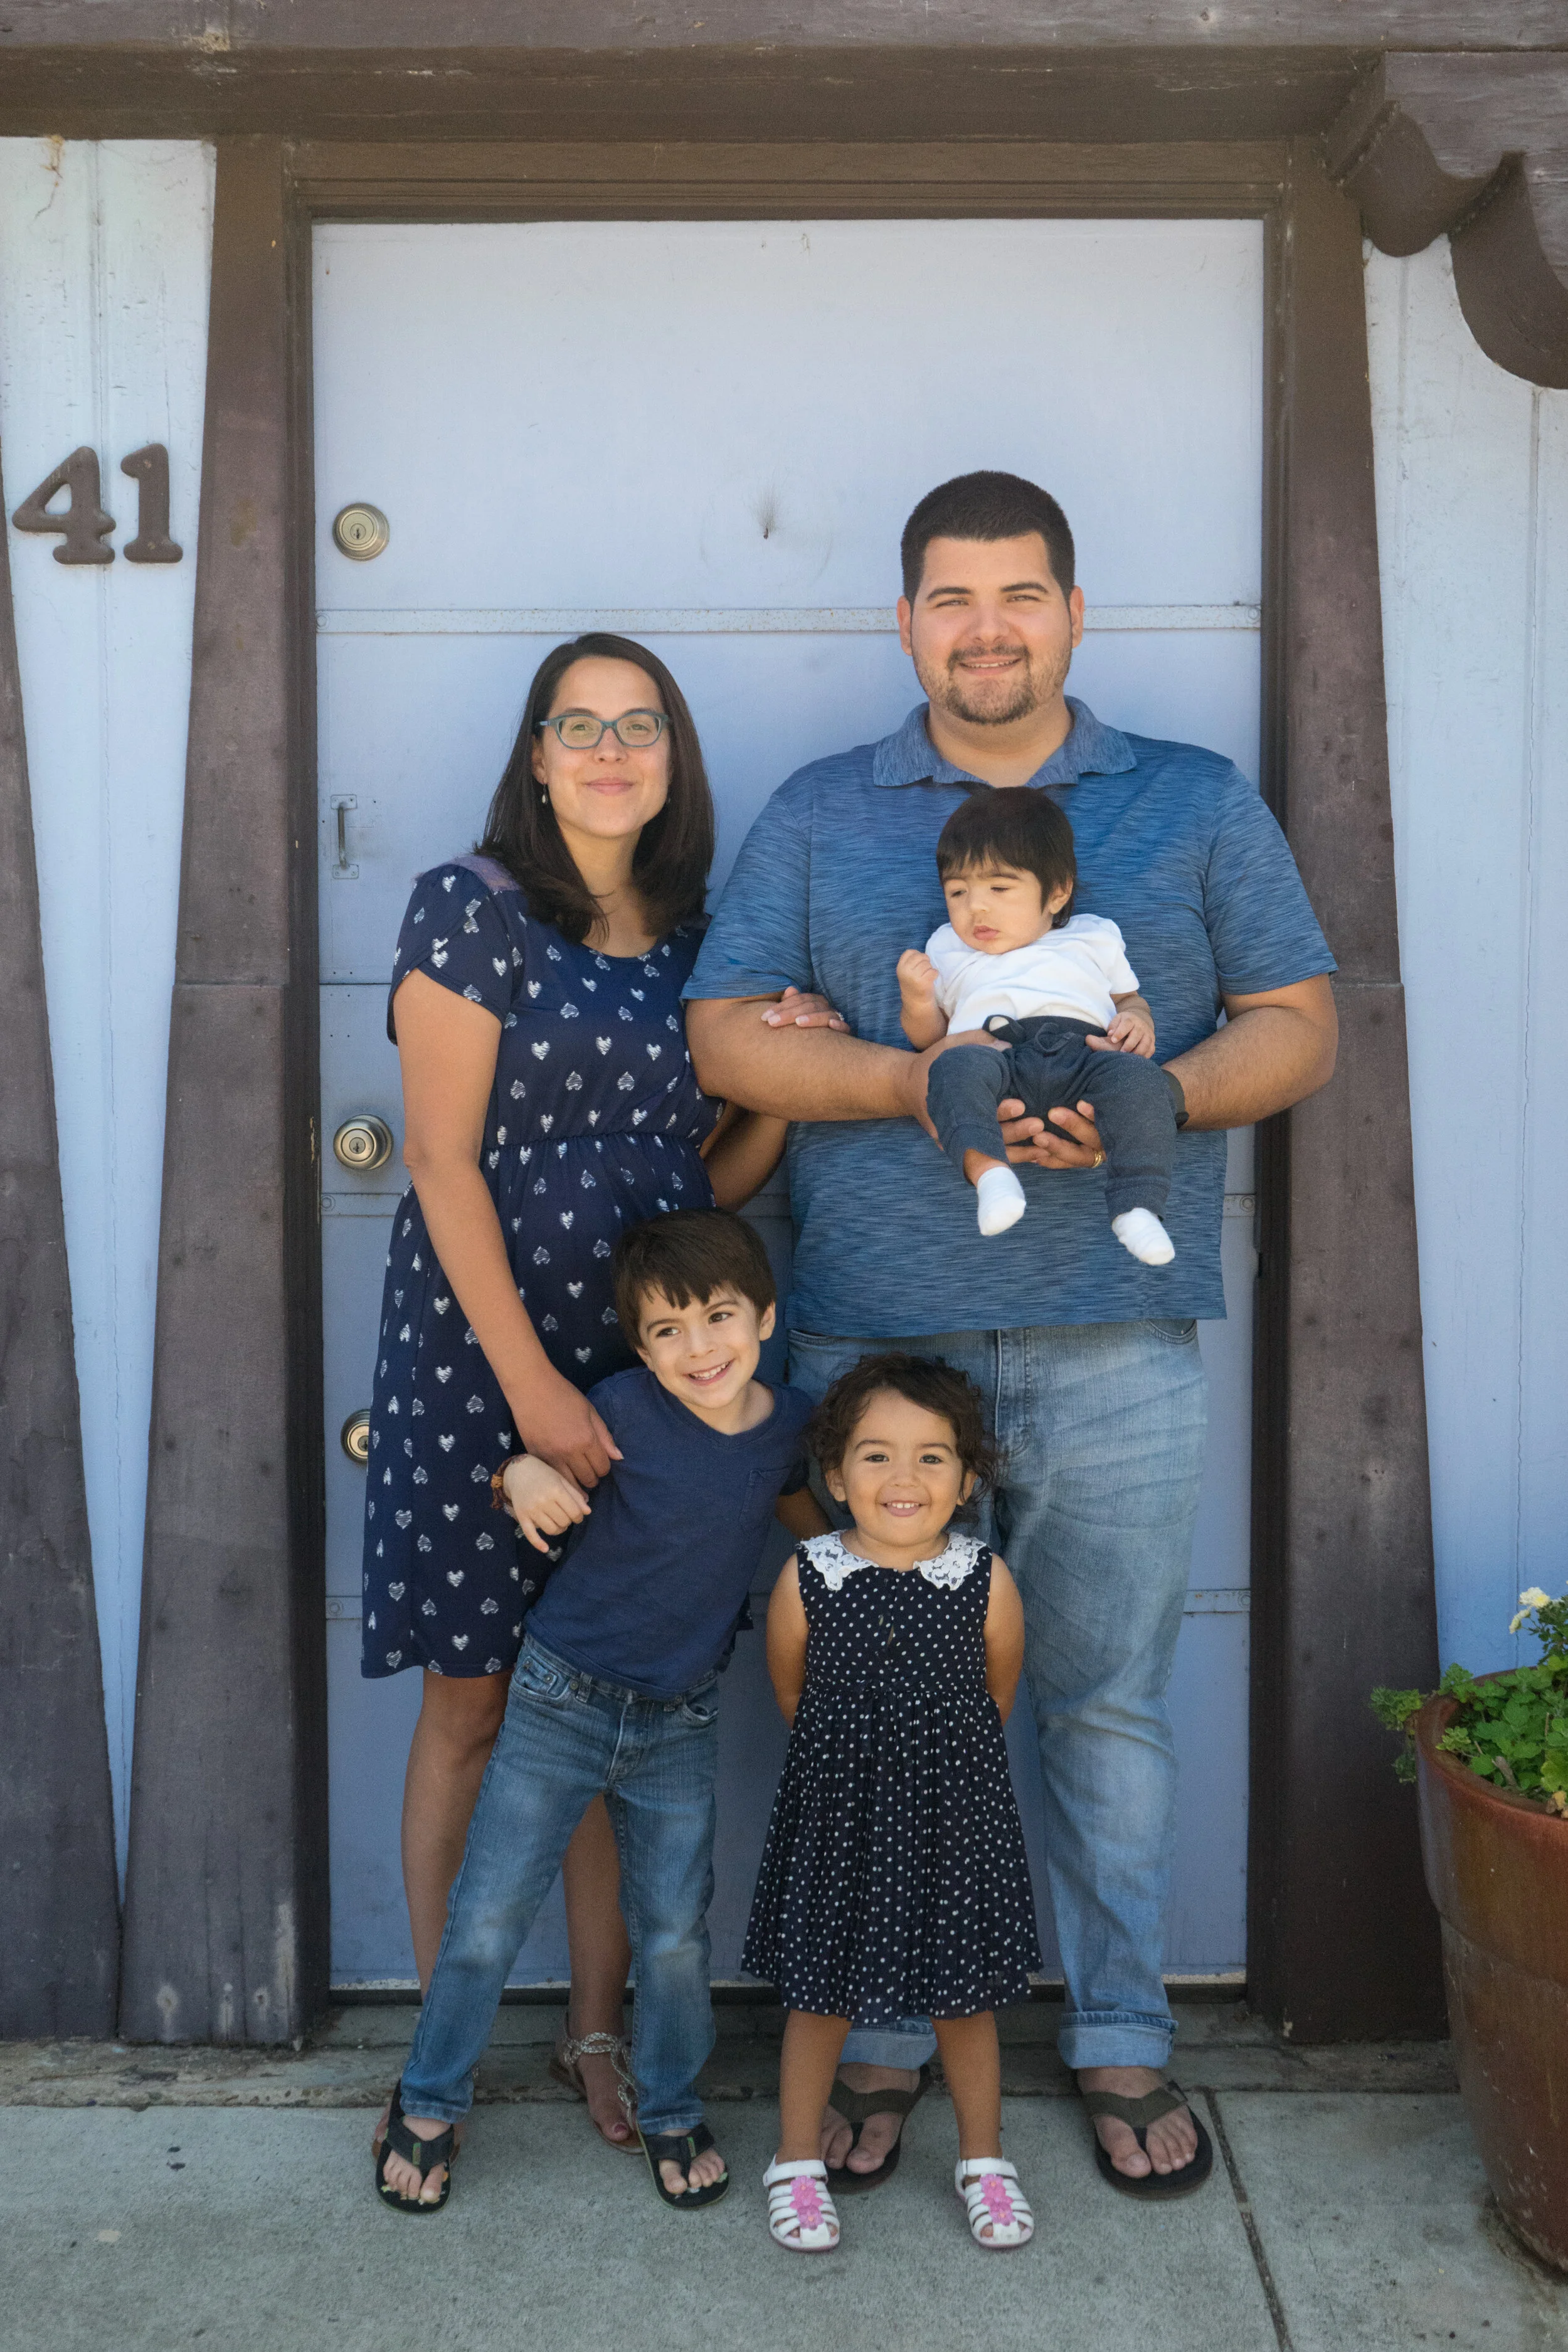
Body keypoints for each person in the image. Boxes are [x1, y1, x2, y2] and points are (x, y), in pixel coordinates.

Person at [684, 469, 1337, 2196]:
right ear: (906, 622)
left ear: (1072, 611)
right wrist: (913, 1082)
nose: (989, 629)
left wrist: (1151, 1099)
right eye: (954, 599)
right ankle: (887, 2034)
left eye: (1022, 593)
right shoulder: (822, 812)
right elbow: (726, 1038)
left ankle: (1120, 2029)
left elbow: (1298, 1021)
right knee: (873, 1711)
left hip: (1119, 1344)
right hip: (873, 1365)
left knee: (1106, 1705)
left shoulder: (1190, 801)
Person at [362, 632, 839, 2156]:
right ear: (537, 753)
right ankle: (442, 2050)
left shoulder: (697, 938)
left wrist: (782, 1087)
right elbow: (443, 1159)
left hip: (651, 1367)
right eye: (580, 726)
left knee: (610, 1698)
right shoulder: (472, 907)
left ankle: (594, 2032)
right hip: (479, 1357)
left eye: (640, 726)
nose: (611, 751)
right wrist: (531, 1388)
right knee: (475, 1701)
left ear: (672, 757)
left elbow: (693, 1186)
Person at [373, 1208, 829, 2213]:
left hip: (680, 1716)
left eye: (719, 1317)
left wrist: (874, 1562)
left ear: (765, 1315)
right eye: (668, 1329)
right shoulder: (621, 1408)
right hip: (562, 1695)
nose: (699, 1347)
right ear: (640, 1346)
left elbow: (807, 1519)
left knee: (673, 1930)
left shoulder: (787, 1428)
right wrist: (522, 1472)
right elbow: (515, 1471)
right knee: (487, 1914)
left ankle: (670, 2102)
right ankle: (431, 2097)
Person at [746, 1354, 1039, 2255]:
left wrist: (927, 1770)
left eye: (931, 1457)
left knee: (964, 2000)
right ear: (836, 1477)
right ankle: (797, 2163)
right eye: (876, 1455)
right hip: (841, 1822)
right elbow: (793, 1693)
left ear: (968, 1479)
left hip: (951, 1825)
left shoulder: (984, 1579)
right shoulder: (811, 1575)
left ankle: (983, 2160)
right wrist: (863, 1767)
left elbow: (996, 1694)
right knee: (819, 1997)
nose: (903, 1477)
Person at [902, 786, 1176, 1261]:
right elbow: (930, 1039)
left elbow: (1129, 998)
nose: (976, 907)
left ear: (1057, 892)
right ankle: (992, 1177)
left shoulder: (1093, 936)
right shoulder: (947, 947)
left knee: (1145, 1082)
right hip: (998, 1058)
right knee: (949, 1070)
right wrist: (918, 1000)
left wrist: (1136, 1019)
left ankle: (1138, 1207)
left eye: (1000, 888)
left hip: (1086, 1059)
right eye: (957, 892)